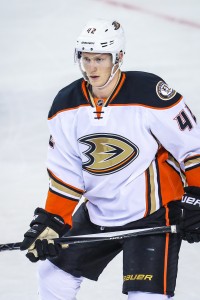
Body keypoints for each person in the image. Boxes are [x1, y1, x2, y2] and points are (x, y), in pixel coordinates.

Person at [20, 19, 200, 300]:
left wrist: (197, 196)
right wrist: (53, 221)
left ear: (118, 58)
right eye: (86, 58)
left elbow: (193, 147)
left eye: (100, 59)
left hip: (151, 216)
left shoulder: (149, 93)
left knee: (145, 296)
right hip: (98, 213)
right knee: (52, 275)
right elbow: (66, 174)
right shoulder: (65, 106)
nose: (92, 68)